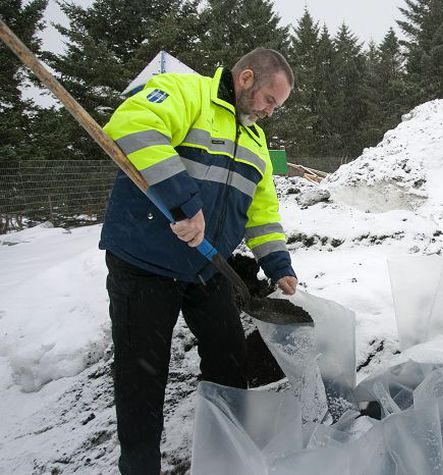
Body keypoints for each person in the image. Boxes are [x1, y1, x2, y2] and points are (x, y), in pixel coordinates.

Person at [99, 48, 297, 474]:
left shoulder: (255, 140)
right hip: (144, 261)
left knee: (228, 357)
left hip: (208, 267)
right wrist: (185, 203)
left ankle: (226, 450)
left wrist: (279, 265)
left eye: (275, 107)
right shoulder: (185, 93)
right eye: (269, 100)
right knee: (142, 375)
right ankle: (140, 466)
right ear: (246, 78)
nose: (269, 112)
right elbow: (132, 126)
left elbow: (262, 212)